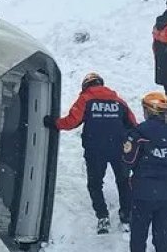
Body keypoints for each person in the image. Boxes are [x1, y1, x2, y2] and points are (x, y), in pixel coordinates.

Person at [43, 73, 138, 234]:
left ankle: (102, 217)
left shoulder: (86, 99)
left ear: (86, 86)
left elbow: (72, 121)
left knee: (95, 184)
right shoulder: (119, 101)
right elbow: (133, 125)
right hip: (119, 149)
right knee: (123, 182)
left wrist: (53, 123)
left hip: (95, 150)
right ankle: (126, 217)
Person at [123, 92, 167, 252]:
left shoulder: (139, 132)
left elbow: (128, 160)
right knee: (162, 239)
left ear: (148, 111)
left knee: (138, 238)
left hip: (143, 194)